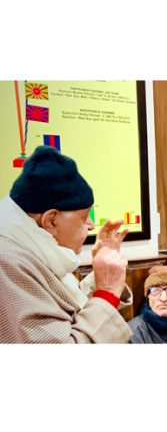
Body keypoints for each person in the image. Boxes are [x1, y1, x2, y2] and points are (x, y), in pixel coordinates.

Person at [0, 145, 132, 343]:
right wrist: (107, 291)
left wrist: (99, 276)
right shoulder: (8, 263)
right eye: (85, 217)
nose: (91, 225)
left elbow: (61, 307)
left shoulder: (24, 244)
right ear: (51, 221)